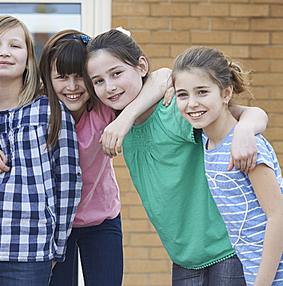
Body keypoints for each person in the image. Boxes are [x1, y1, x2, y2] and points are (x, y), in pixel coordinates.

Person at [85, 28, 268, 285]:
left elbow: (251, 113)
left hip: (227, 249)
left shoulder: (172, 109)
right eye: (98, 81)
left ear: (141, 66)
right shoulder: (114, 121)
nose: (109, 87)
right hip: (183, 257)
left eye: (116, 73)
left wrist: (246, 129)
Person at [0, 15, 83, 286]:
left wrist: (57, 245)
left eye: (15, 46)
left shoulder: (49, 111)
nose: (4, 52)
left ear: (28, 59)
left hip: (30, 250)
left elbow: (68, 182)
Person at [39, 29, 171, 286]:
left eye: (81, 77)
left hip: (102, 218)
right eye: (62, 77)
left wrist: (125, 118)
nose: (73, 86)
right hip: (53, 225)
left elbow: (163, 76)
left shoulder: (105, 107)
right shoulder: (40, 111)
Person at [173, 46, 283, 286]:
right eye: (182, 94)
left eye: (202, 92)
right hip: (250, 269)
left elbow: (278, 215)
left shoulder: (245, 147)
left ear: (226, 93)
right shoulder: (207, 139)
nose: (191, 103)